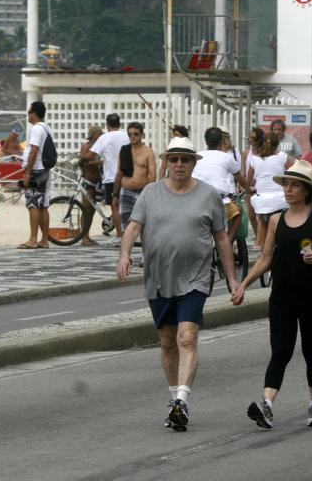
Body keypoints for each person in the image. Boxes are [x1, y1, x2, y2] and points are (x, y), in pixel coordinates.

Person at [116, 137, 237, 432]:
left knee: (187, 338)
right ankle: (174, 401)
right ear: (167, 163)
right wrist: (124, 254)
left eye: (185, 159)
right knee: (168, 342)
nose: (179, 164)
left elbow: (221, 237)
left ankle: (182, 399)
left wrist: (233, 279)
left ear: (194, 163)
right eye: (174, 159)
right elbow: (134, 226)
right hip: (158, 279)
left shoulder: (208, 195)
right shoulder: (150, 193)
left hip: (195, 277)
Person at [231, 159, 312, 429]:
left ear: (306, 190)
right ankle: (267, 405)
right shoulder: (276, 220)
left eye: (294, 185)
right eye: (286, 184)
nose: (288, 190)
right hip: (282, 298)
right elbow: (265, 258)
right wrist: (244, 284)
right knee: (280, 352)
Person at [192, 127, 250, 243]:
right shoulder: (227, 158)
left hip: (197, 202)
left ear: (206, 141)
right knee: (238, 214)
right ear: (221, 141)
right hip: (221, 203)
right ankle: (226, 243)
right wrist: (250, 188)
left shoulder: (197, 157)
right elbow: (241, 180)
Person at [248, 132, 294, 250]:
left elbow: (248, 183)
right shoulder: (282, 157)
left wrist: (253, 188)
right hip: (280, 199)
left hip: (261, 200)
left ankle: (261, 247)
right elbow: (295, 171)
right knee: (285, 220)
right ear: (277, 145)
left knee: (262, 220)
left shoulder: (254, 160)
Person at [88, 113, 129, 244]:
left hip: (111, 177)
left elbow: (91, 154)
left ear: (106, 125)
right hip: (127, 176)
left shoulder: (104, 138)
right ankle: (130, 234)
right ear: (120, 124)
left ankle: (120, 235)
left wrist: (99, 161)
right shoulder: (127, 136)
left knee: (115, 207)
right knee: (128, 206)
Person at [18, 101, 54, 249]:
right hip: (44, 170)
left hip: (36, 170)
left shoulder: (36, 129)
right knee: (43, 206)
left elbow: (33, 151)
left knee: (33, 204)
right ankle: (44, 239)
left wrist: (27, 172)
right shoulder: (46, 128)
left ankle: (33, 239)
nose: (28, 115)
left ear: (34, 113)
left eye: (29, 112)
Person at [113, 122, 156, 232]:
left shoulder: (148, 152)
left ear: (141, 135)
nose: (132, 136)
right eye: (130, 134)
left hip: (142, 191)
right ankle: (126, 248)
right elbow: (119, 173)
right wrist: (115, 195)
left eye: (135, 134)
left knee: (143, 224)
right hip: (126, 191)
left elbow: (152, 175)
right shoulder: (124, 150)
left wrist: (149, 194)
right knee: (125, 226)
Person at [78, 125, 104, 245]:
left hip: (95, 182)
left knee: (92, 210)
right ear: (94, 134)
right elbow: (83, 162)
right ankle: (84, 237)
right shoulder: (87, 146)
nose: (102, 135)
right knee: (86, 209)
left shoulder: (98, 147)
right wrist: (99, 162)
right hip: (87, 181)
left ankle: (86, 235)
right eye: (100, 133)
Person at [241, 127, 263, 240]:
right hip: (249, 186)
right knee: (251, 215)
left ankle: (261, 237)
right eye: (249, 136)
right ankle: (257, 236)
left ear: (258, 140)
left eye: (252, 137)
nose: (250, 139)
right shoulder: (245, 153)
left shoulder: (263, 153)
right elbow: (243, 171)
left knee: (260, 215)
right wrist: (243, 184)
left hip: (260, 185)